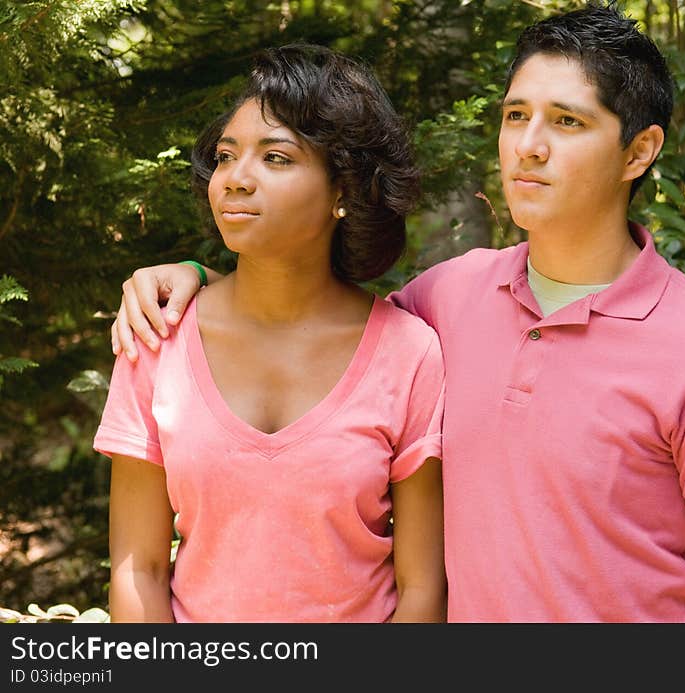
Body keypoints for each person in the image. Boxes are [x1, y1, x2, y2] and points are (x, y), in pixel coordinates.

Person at [107, 3, 685, 622]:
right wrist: (191, 275)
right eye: (515, 115)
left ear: (639, 152)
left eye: (567, 121)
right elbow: (303, 310)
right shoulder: (447, 301)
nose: (528, 144)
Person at [93, 43, 447, 623]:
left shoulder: (409, 353)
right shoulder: (158, 335)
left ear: (343, 191)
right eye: (227, 156)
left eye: (275, 158)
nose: (235, 179)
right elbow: (139, 569)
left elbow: (421, 591)